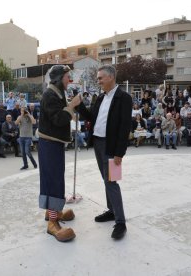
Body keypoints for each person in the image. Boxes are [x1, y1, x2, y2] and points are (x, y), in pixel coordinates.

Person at [77, 64, 132, 240]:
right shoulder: (100, 98)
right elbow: (91, 118)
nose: (98, 81)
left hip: (112, 147)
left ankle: (120, 222)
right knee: (106, 180)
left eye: (101, 78)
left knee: (112, 182)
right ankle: (111, 211)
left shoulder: (124, 98)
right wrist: (79, 106)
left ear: (111, 77)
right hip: (99, 144)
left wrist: (119, 153)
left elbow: (125, 127)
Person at [37, 64, 81, 242]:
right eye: (66, 76)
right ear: (58, 78)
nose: (68, 80)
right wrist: (72, 105)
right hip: (49, 144)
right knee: (54, 180)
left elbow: (61, 115)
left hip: (53, 144)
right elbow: (59, 119)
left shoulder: (57, 92)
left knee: (54, 178)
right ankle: (53, 223)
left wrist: (70, 106)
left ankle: (52, 211)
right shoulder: (50, 95)